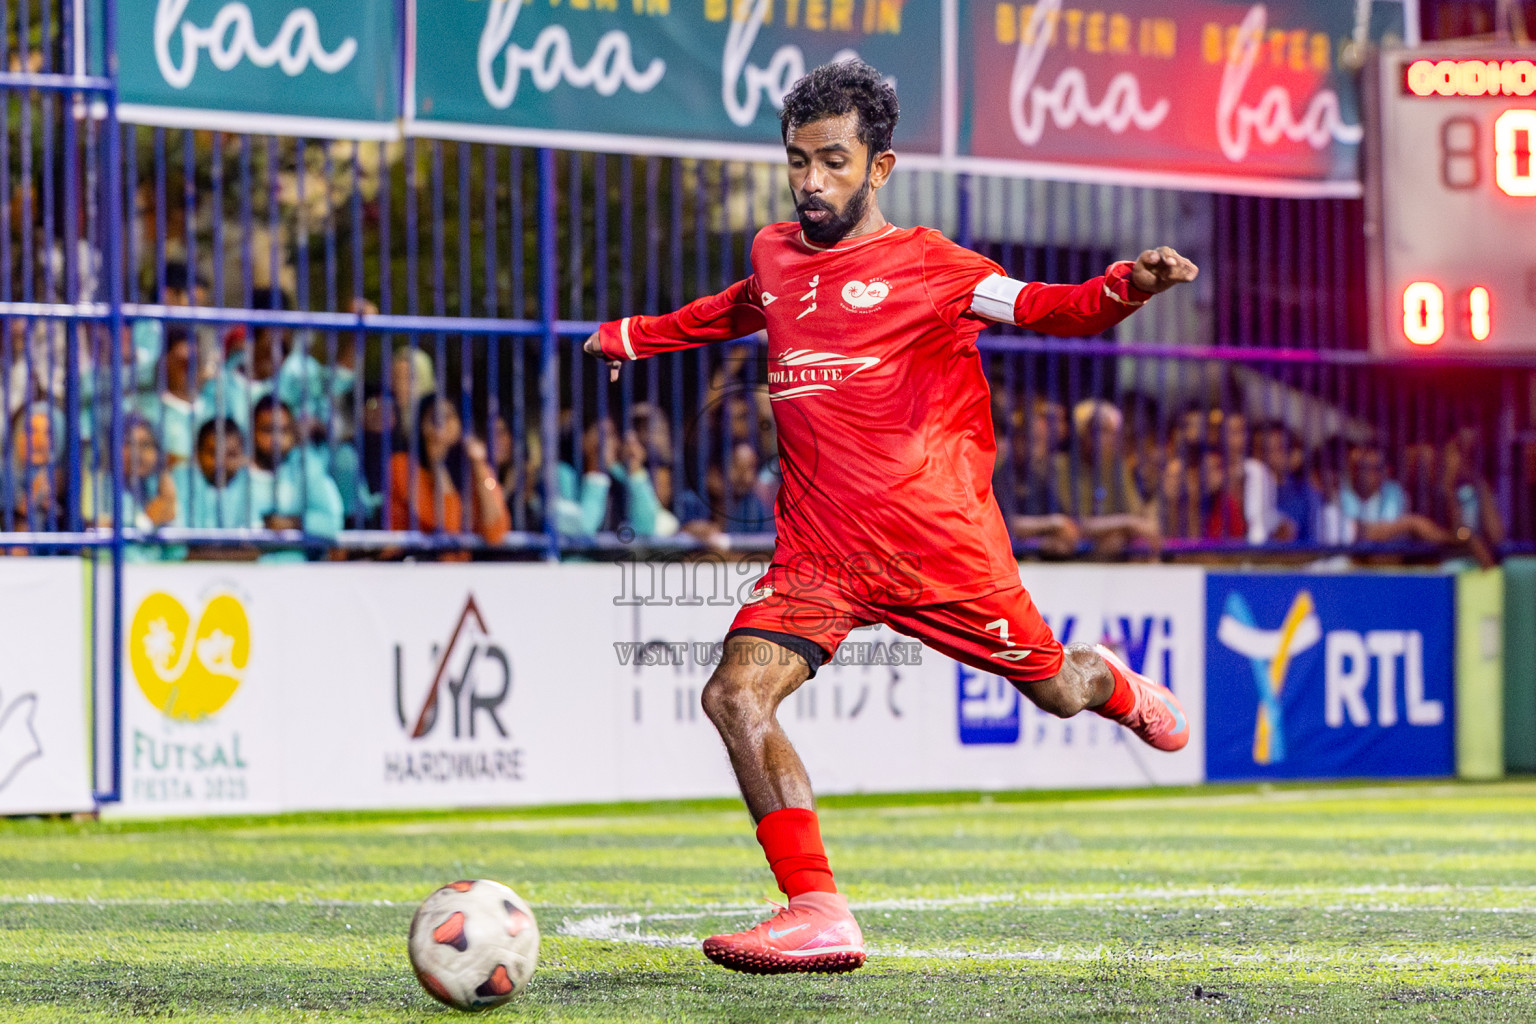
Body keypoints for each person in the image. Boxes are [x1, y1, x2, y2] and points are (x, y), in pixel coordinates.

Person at [582, 60, 1198, 975]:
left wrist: (1126, 287)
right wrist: (636, 335)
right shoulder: (775, 253)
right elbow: (739, 309)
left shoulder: (930, 266)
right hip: (819, 555)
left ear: (880, 168)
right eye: (797, 161)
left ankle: (1103, 678)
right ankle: (817, 907)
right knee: (732, 693)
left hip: (939, 550)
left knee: (1052, 690)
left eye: (833, 161)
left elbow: (1041, 308)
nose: (811, 183)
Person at [386, 394, 509, 559]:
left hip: (456, 572)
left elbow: (496, 532)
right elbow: (447, 528)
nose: (441, 423)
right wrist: (437, 465)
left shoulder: (475, 469)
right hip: (411, 566)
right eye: (435, 417)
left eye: (449, 416)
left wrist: (480, 468)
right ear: (421, 426)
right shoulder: (402, 466)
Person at [248, 395, 344, 562]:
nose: (276, 440)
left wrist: (292, 523)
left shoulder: (305, 466)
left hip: (295, 576)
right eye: (268, 430)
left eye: (283, 431)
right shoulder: (236, 471)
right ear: (252, 432)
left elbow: (333, 523)